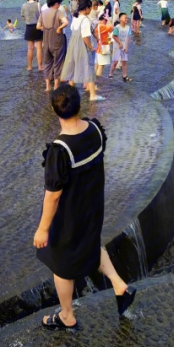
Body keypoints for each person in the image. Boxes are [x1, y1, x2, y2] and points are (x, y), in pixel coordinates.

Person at [33, 85, 136, 330]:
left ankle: (67, 315)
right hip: (93, 205)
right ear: (80, 105)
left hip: (70, 215)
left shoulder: (60, 150)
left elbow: (53, 197)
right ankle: (119, 285)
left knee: (61, 263)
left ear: (54, 111)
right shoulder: (95, 130)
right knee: (91, 244)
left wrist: (43, 229)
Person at [61, 0, 101, 100]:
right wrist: (91, 47)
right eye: (90, 8)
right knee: (89, 68)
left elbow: (73, 30)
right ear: (87, 8)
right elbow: (85, 37)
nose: (90, 10)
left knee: (73, 67)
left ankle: (70, 91)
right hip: (82, 45)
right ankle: (93, 95)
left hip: (73, 44)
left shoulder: (76, 17)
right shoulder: (85, 20)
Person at [40, 0, 69, 92]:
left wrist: (45, 29)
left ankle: (47, 86)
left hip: (46, 41)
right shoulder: (59, 12)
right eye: (59, 3)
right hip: (57, 41)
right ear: (56, 4)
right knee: (58, 63)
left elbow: (38, 26)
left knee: (47, 64)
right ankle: (56, 86)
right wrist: (59, 28)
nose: (60, 5)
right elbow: (66, 22)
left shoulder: (43, 12)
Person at [21, 0, 43, 71]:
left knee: (30, 48)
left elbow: (23, 17)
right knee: (39, 48)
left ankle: (29, 66)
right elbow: (41, 15)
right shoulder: (38, 4)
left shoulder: (23, 5)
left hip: (29, 27)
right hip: (38, 26)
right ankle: (40, 66)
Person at [110, 12, 132, 82]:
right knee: (115, 62)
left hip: (124, 47)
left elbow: (128, 38)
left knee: (124, 62)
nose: (126, 19)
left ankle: (124, 76)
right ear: (120, 19)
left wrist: (126, 47)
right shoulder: (117, 27)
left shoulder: (128, 28)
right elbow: (114, 36)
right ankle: (110, 75)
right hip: (117, 47)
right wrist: (119, 42)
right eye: (125, 17)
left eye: (127, 18)